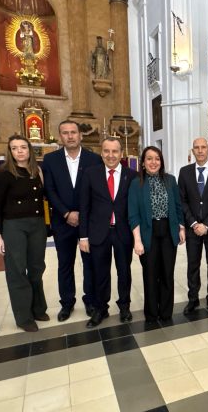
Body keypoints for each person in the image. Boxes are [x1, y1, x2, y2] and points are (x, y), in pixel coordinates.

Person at [42, 120, 102, 322]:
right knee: (64, 264)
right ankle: (67, 302)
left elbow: (97, 191)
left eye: (73, 132)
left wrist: (82, 216)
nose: (70, 136)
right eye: (65, 133)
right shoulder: (51, 160)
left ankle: (90, 300)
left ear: (80, 135)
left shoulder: (94, 159)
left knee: (90, 264)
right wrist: (67, 213)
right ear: (60, 136)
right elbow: (49, 190)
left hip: (88, 222)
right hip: (62, 221)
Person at [0, 135, 49, 332]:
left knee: (36, 267)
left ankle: (38, 308)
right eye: (14, 148)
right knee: (17, 270)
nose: (19, 151)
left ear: (29, 149)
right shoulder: (3, 174)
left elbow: (43, 199)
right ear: (10, 151)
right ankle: (24, 317)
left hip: (37, 224)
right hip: (14, 226)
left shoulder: (37, 171)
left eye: (23, 147)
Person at [78, 137, 137, 328]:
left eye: (115, 151)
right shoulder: (90, 174)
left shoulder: (132, 175)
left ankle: (124, 306)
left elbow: (135, 208)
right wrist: (83, 236)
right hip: (98, 233)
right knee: (100, 273)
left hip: (123, 233)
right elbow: (84, 206)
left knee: (124, 272)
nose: (111, 156)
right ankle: (100, 308)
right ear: (101, 153)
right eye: (106, 151)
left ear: (121, 154)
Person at [129, 147, 185, 322]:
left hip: (168, 230)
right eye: (149, 159)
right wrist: (137, 240)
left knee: (167, 273)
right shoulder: (136, 183)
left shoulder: (170, 180)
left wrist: (181, 229)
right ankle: (152, 313)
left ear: (161, 162)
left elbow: (178, 206)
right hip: (148, 233)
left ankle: (166, 312)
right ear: (143, 163)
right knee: (151, 274)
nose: (154, 162)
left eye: (157, 159)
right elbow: (133, 213)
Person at [178, 138, 208, 316]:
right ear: (193, 150)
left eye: (203, 147)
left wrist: (207, 224)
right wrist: (194, 223)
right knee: (193, 265)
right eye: (197, 147)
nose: (200, 150)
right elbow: (182, 201)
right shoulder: (185, 172)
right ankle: (193, 299)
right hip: (192, 228)